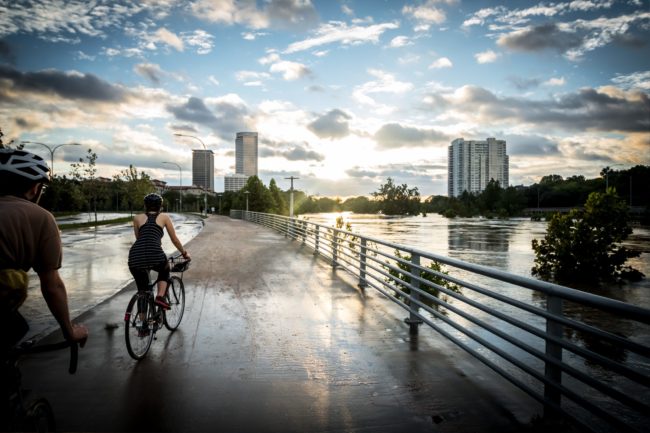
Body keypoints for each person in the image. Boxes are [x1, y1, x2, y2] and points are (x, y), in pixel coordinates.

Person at [0, 148, 88, 353]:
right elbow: (52, 285)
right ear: (34, 188)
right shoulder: (40, 217)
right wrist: (70, 331)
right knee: (15, 330)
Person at [128, 193, 190, 309]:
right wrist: (184, 253)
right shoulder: (164, 217)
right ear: (160, 207)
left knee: (142, 291)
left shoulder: (137, 218)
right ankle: (160, 297)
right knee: (165, 268)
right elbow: (174, 240)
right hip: (154, 254)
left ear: (145, 206)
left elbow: (139, 238)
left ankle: (142, 319)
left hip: (135, 256)